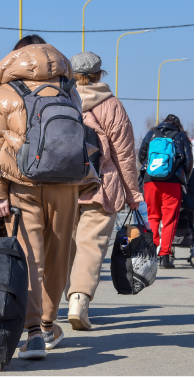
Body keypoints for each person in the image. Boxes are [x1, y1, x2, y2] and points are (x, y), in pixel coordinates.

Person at [0, 34, 98, 360]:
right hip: (66, 184)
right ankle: (48, 324)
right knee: (58, 256)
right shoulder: (68, 89)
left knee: (28, 257)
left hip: (22, 186)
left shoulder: (3, 94)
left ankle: (32, 333)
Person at [64, 52, 143, 330]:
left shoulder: (60, 100)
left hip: (62, 185)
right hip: (100, 184)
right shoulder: (112, 106)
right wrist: (133, 194)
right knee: (91, 245)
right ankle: (79, 300)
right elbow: (124, 155)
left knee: (64, 246)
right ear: (99, 75)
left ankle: (57, 302)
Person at [138, 115, 194, 269]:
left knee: (152, 217)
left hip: (151, 182)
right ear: (177, 125)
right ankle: (164, 257)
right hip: (172, 183)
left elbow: (141, 156)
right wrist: (185, 179)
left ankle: (151, 254)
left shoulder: (151, 134)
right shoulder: (180, 136)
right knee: (169, 220)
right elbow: (189, 161)